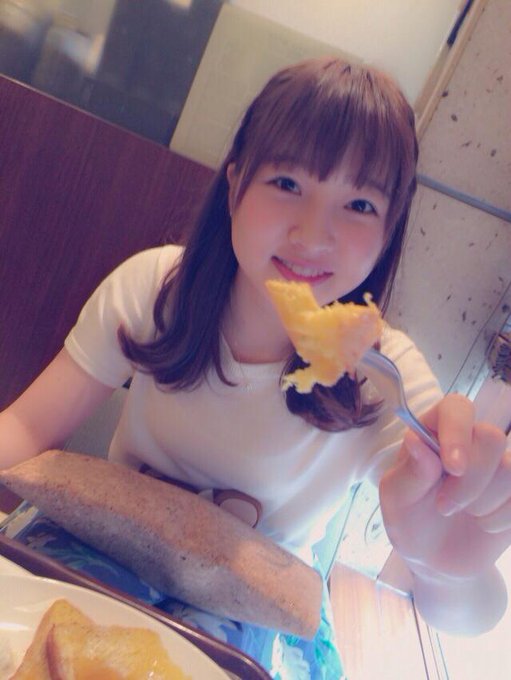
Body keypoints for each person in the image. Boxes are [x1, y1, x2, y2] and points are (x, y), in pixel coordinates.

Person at [0, 57, 509, 679]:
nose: (313, 234)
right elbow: (26, 428)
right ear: (236, 182)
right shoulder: (154, 289)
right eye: (288, 183)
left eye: (358, 203)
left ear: (388, 231)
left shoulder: (384, 376)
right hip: (103, 553)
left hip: (250, 613)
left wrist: (443, 567)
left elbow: (472, 614)